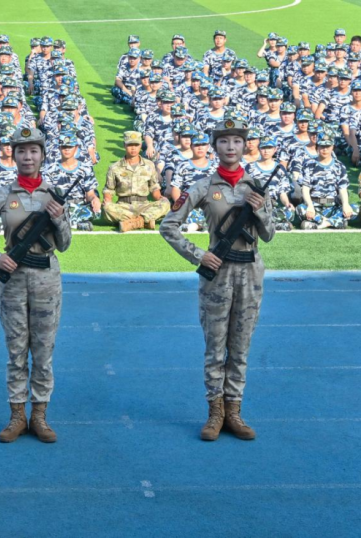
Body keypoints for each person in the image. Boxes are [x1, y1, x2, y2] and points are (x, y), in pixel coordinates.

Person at [160, 119, 275, 442]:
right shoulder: (202, 187)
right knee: (215, 346)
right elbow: (169, 226)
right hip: (218, 274)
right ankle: (215, 413)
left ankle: (234, 411)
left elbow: (269, 234)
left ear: (245, 146)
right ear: (215, 147)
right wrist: (198, 255)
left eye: (236, 141)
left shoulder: (257, 187)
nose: (230, 147)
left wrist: (260, 210)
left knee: (240, 346)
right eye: (224, 141)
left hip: (250, 273)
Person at [0, 125, 71, 444]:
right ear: (14, 155)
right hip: (13, 281)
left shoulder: (54, 195)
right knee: (17, 350)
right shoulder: (3, 194)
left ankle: (40, 416)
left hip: (47, 278)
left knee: (44, 351)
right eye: (22, 151)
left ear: (42, 155)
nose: (28, 157)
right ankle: (17, 416)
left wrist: (59, 218)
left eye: (34, 151)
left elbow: (65, 244)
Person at [102, 131, 170, 232]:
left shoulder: (149, 165)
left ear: (140, 146)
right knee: (106, 208)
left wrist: (161, 198)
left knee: (166, 203)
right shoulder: (114, 167)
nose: (133, 148)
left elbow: (154, 189)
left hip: (144, 205)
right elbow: (109, 190)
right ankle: (145, 220)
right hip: (123, 206)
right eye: (130, 145)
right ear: (124, 145)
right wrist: (107, 200)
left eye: (136, 145)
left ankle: (133, 222)